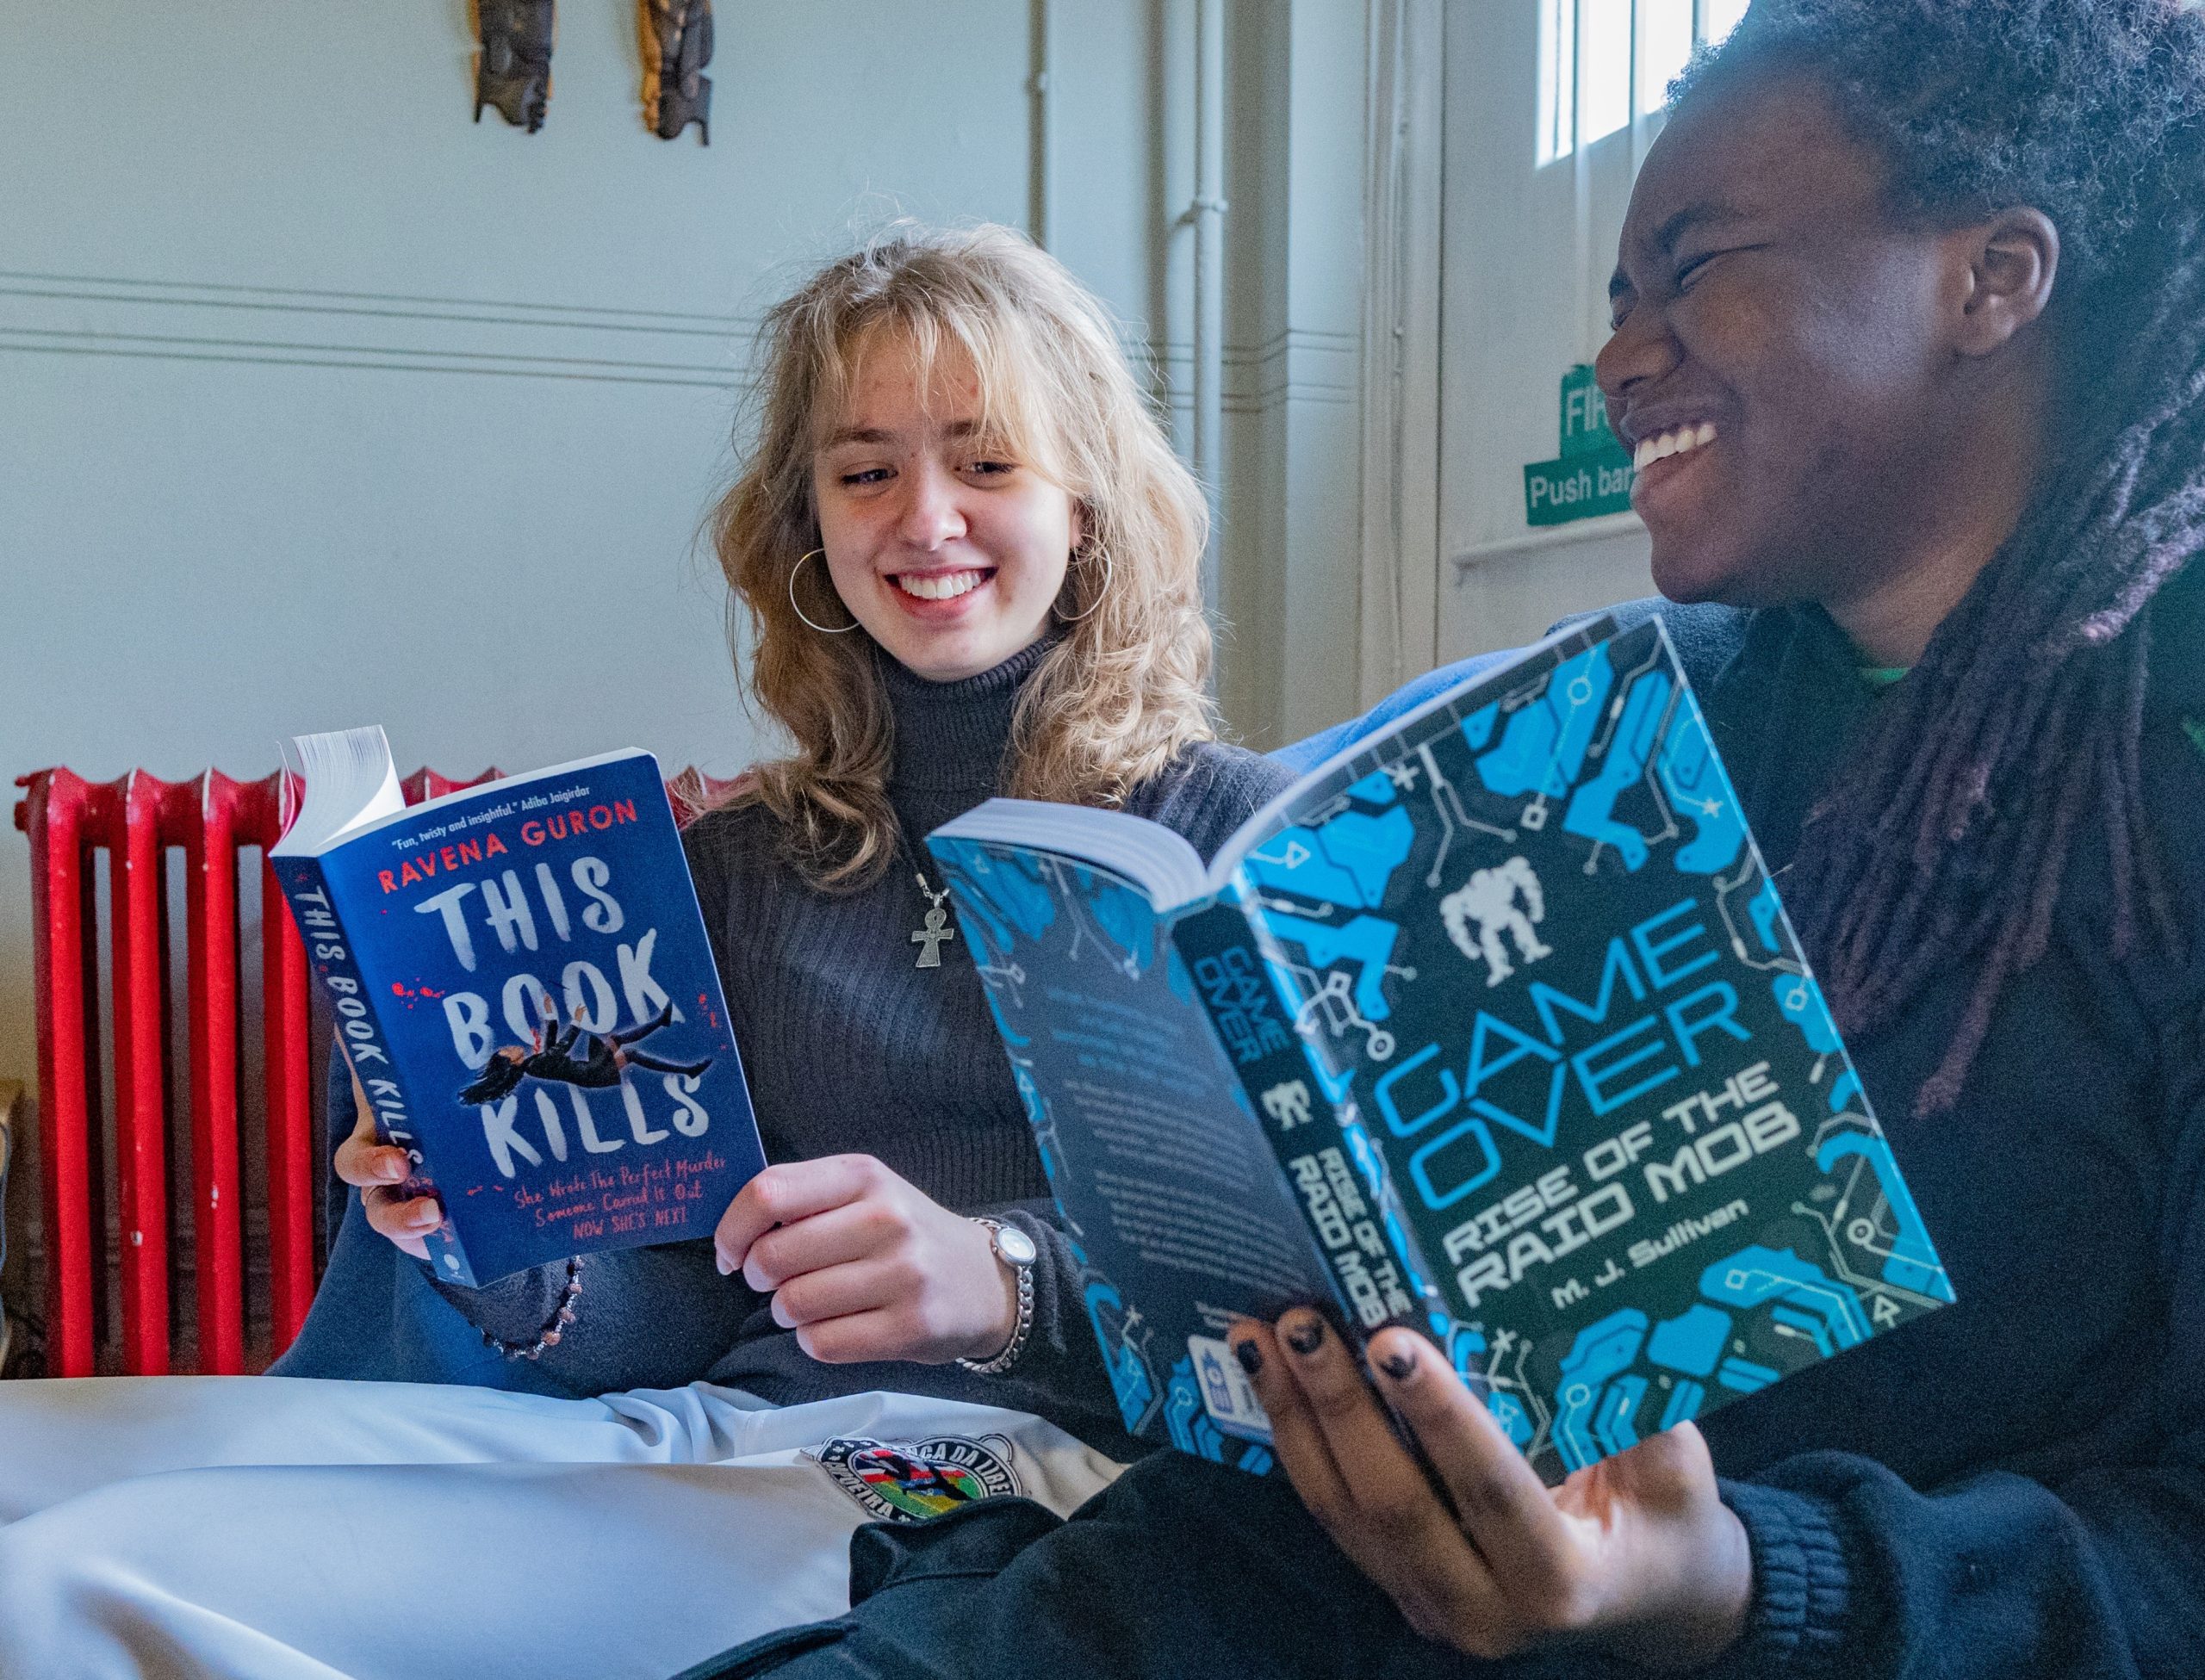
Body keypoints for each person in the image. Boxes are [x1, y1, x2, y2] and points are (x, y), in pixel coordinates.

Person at [699, 3, 2205, 1677]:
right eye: (1618, 298)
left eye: (1696, 266)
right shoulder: (1614, 737)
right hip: (1286, 1568)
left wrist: (1725, 1582)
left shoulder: (2152, 791)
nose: (1620, 359)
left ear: (1991, 279)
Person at [0, 225, 1296, 1680]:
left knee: (62, 1587)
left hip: (1002, 1471)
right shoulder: (743, 864)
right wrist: (485, 1231)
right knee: (19, 1470)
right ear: (808, 526)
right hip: (718, 1422)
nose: (925, 519)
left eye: (986, 462)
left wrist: (1010, 1280)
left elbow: (1337, 1296)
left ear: (1089, 504)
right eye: (865, 472)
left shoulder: (1239, 839)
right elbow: (670, 1301)